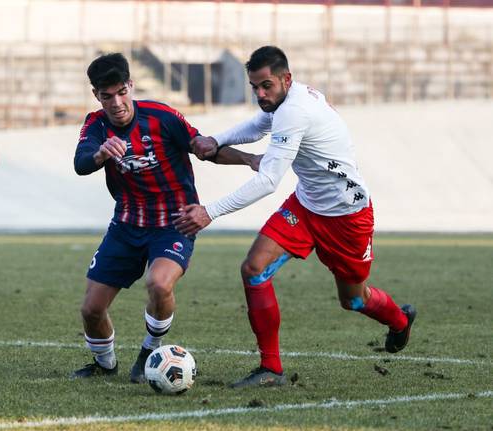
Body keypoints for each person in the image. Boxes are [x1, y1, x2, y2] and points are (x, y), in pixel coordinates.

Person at [175, 46, 416, 388]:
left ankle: (400, 321)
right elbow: (260, 124)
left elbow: (269, 180)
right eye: (254, 87)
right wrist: (218, 139)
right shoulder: (287, 99)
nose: (260, 94)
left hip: (347, 216)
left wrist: (209, 211)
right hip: (305, 207)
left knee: (354, 299)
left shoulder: (296, 110)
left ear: (286, 79)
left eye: (266, 86)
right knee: (254, 269)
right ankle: (271, 369)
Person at [71, 53, 259, 382]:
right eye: (106, 96)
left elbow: (206, 149)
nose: (115, 102)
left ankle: (151, 349)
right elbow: (81, 162)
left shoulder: (161, 116)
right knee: (91, 309)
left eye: (121, 92)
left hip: (175, 220)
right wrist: (101, 153)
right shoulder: (95, 124)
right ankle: (104, 365)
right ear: (96, 96)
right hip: (127, 224)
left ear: (131, 85)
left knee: (159, 284)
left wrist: (249, 158)